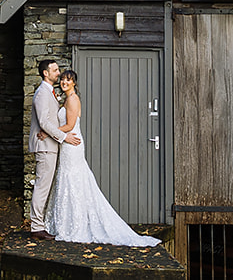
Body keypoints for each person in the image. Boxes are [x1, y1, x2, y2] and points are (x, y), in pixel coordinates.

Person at [45, 69, 161, 247]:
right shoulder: (67, 99)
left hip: (72, 144)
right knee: (69, 179)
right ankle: (66, 221)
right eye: (62, 80)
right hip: (67, 143)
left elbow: (69, 125)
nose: (64, 82)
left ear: (74, 83)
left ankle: (76, 224)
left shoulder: (73, 99)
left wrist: (48, 132)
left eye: (68, 80)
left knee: (73, 180)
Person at [27, 57, 78, 238]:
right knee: (42, 186)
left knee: (45, 185)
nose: (58, 73)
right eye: (55, 70)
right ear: (45, 73)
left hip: (50, 144)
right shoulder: (42, 93)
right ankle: (36, 228)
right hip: (45, 146)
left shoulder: (51, 92)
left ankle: (39, 224)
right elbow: (43, 121)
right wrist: (63, 136)